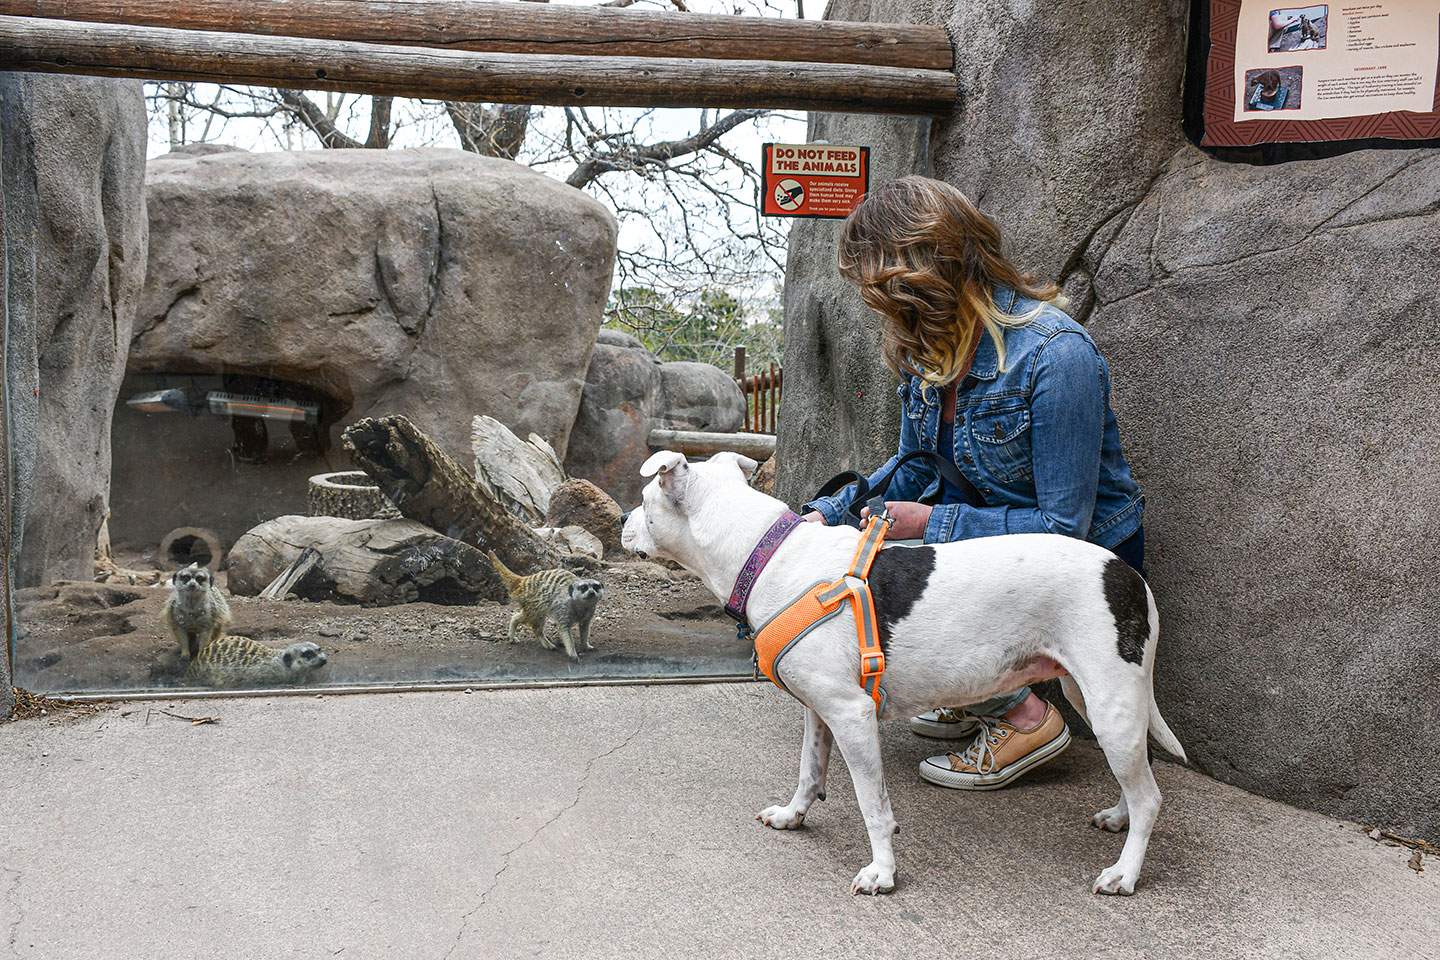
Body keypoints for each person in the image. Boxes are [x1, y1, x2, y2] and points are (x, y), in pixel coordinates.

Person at [802, 175, 1146, 791]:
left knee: (904, 568)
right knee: (864, 561)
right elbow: (914, 465)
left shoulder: (1056, 355)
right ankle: (970, 693)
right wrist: (834, 511)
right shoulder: (929, 348)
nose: (874, 306)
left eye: (880, 288)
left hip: (1077, 565)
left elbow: (1066, 527)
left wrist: (930, 524)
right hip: (990, 542)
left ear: (920, 277)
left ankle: (1024, 716)